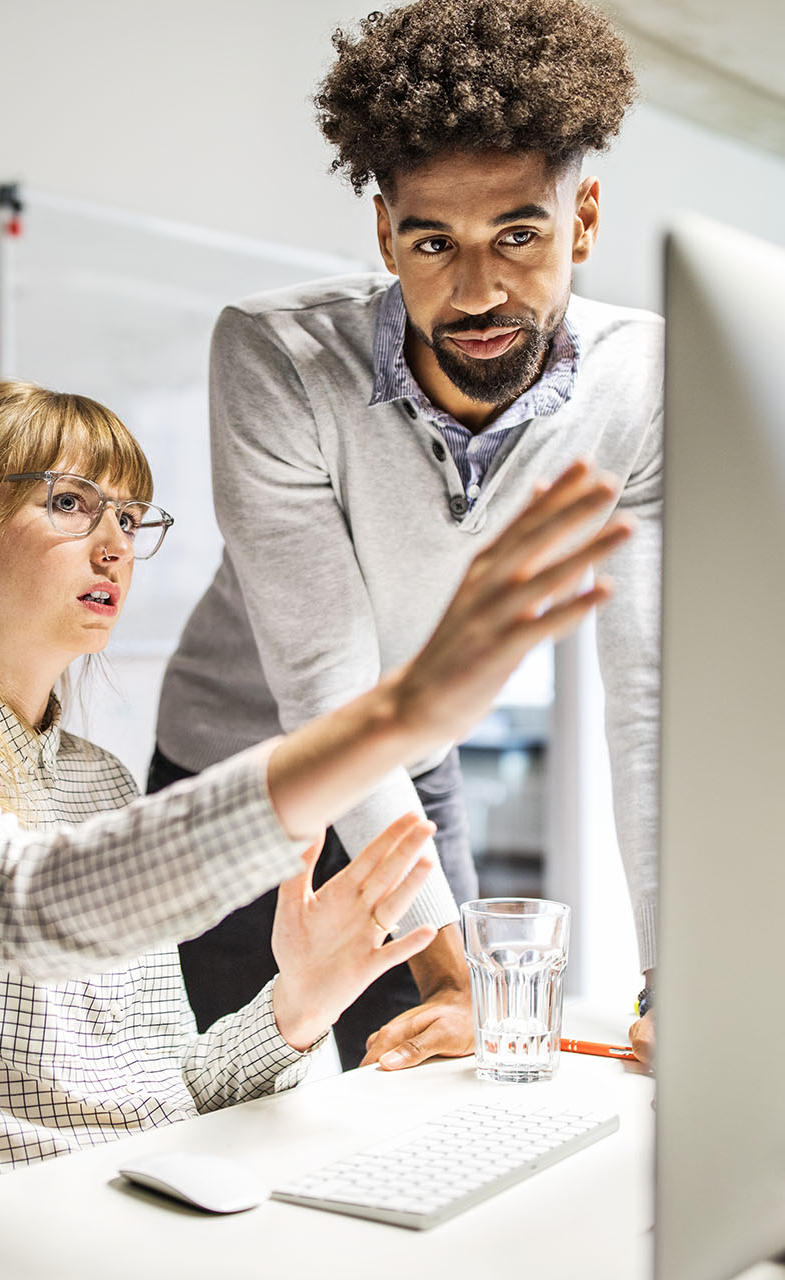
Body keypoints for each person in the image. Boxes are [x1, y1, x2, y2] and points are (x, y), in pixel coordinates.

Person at [0, 379, 628, 1214]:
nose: (113, 546)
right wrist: (382, 721)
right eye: (71, 503)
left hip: (133, 1205)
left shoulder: (97, 779)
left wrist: (301, 1002)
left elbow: (171, 1087)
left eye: (128, 518)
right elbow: (10, 902)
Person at [152, 0, 662, 1071]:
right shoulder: (278, 362)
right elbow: (327, 696)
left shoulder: (641, 386)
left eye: (518, 234)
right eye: (434, 242)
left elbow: (650, 695)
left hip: (415, 770)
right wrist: (453, 964)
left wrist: (678, 968)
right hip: (246, 787)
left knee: (450, 1076)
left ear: (585, 220)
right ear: (385, 232)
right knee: (252, 1116)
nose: (477, 291)